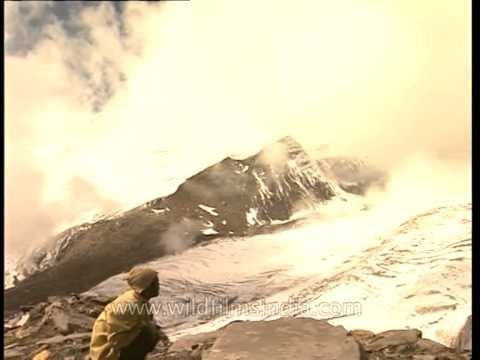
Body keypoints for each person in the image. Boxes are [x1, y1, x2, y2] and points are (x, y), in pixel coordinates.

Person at [89, 267, 169, 359]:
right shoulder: (127, 306)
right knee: (148, 332)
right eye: (155, 283)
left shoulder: (139, 300)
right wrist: (142, 329)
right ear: (147, 287)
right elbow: (116, 341)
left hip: (118, 347)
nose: (159, 285)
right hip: (107, 354)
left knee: (151, 331)